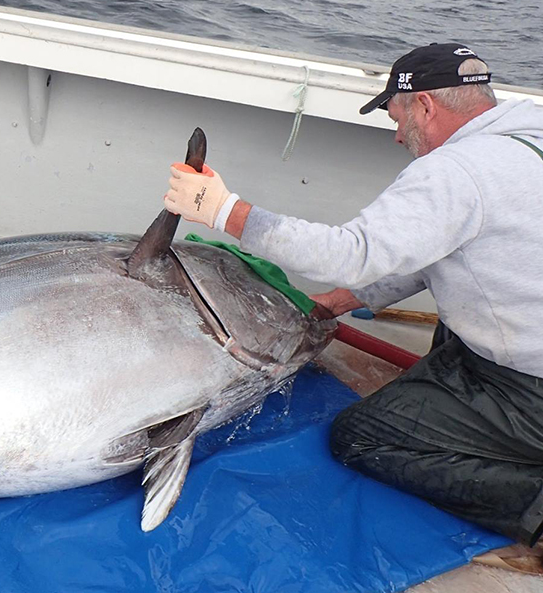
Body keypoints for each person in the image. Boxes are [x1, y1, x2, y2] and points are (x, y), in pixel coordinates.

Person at [161, 43, 543, 564]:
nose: (396, 135)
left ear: (426, 106)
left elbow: (351, 255)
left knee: (360, 438)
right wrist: (334, 304)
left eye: (397, 116)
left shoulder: (457, 172)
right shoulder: (525, 135)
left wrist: (223, 210)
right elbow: (435, 252)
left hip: (530, 389)